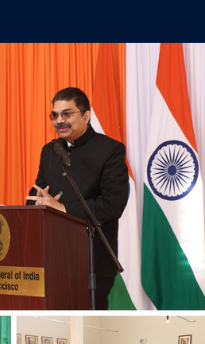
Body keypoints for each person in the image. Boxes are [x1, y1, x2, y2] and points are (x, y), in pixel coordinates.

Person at [26, 87, 130, 309]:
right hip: (52, 261)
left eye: (67, 114)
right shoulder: (49, 151)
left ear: (86, 115)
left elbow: (113, 205)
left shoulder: (110, 150)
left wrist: (62, 208)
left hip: (92, 262)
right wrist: (37, 204)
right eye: (54, 115)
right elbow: (38, 195)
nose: (59, 121)